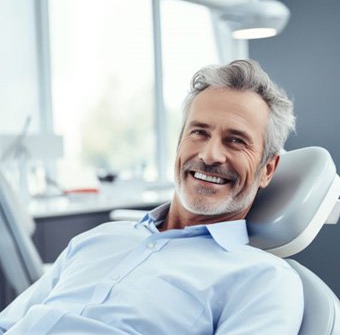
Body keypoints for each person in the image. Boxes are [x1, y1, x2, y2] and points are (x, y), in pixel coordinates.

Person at [0, 59, 303, 334]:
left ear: (267, 170)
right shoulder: (97, 239)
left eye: (236, 141)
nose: (210, 155)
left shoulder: (263, 280)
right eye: (199, 132)